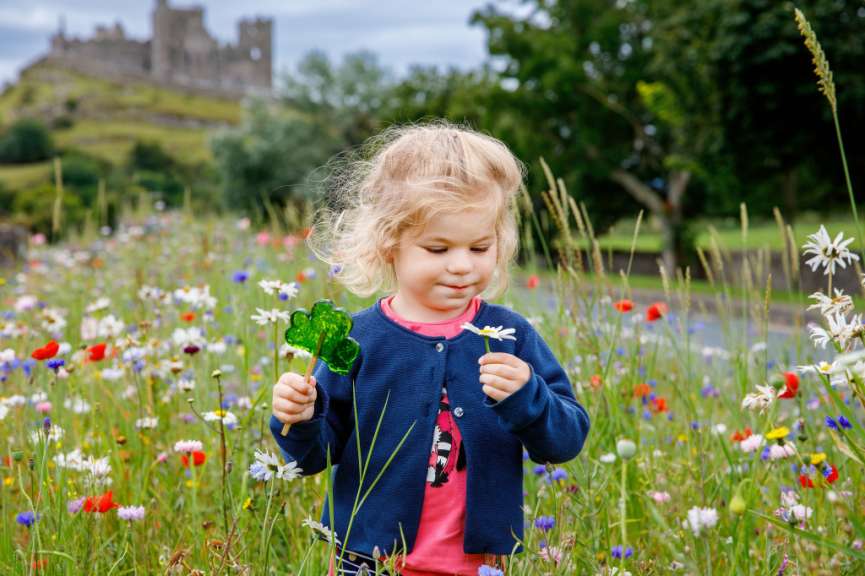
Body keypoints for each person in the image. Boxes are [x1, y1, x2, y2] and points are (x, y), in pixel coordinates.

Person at [270, 122, 590, 575]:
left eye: (480, 247)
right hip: (367, 558)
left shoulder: (509, 335)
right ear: (389, 244)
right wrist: (299, 418)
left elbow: (565, 441)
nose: (461, 265)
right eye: (438, 248)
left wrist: (528, 397)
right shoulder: (356, 339)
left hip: (477, 563)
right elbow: (310, 459)